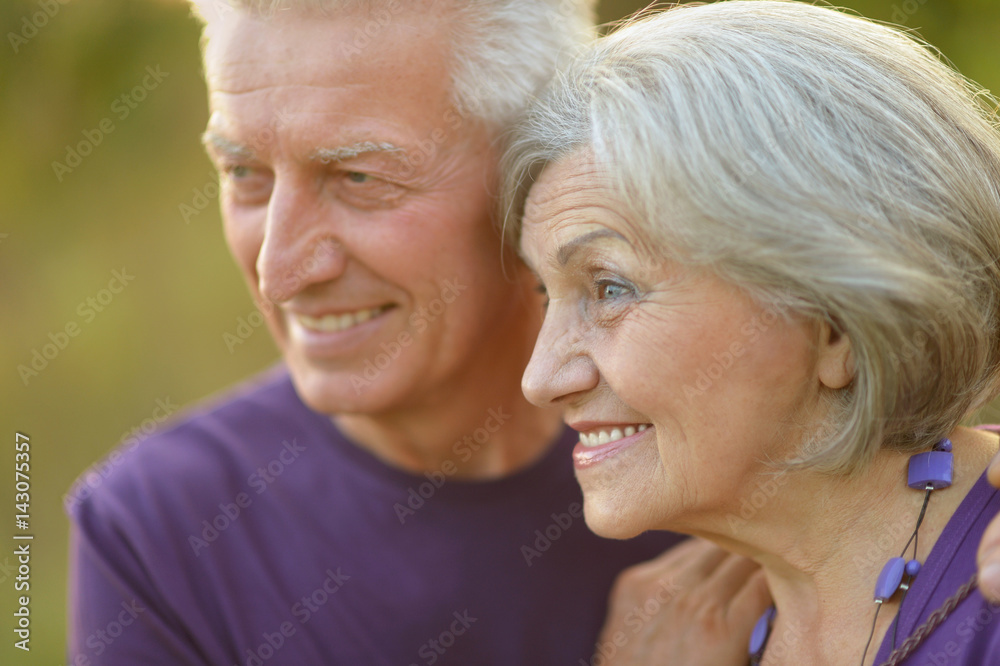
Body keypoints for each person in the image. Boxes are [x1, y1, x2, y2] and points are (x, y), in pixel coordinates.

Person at [64, 1, 770, 664]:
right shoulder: (156, 531)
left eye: (359, 177)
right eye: (244, 173)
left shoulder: (752, 444)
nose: (278, 271)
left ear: (540, 172)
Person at [502, 1, 1000, 663]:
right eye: (547, 294)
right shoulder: (682, 638)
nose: (541, 380)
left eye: (610, 287)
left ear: (837, 325)